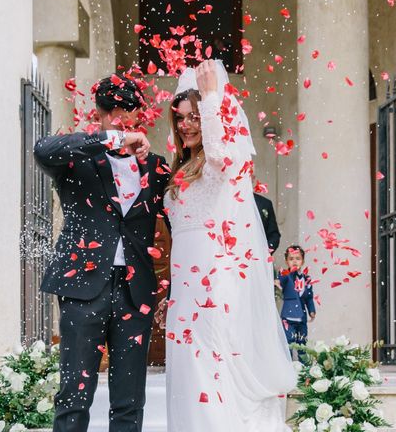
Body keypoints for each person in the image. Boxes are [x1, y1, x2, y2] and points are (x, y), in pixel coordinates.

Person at [163, 59, 297, 431]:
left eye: (193, 116)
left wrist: (211, 98)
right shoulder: (179, 172)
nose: (186, 124)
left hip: (215, 282)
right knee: (188, 368)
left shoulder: (219, 166)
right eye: (181, 117)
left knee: (211, 364)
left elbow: (222, 154)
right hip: (184, 291)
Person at [34, 75, 170, 432]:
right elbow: (43, 150)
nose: (119, 117)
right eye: (111, 111)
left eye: (127, 111)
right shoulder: (78, 159)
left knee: (129, 401)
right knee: (74, 397)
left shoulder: (156, 168)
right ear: (100, 113)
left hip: (134, 293)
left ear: (141, 113)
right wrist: (112, 139)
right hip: (83, 290)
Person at [278, 245, 316, 363]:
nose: (294, 261)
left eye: (298, 258)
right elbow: (282, 281)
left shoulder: (307, 278)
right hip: (288, 317)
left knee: (302, 344)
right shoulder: (285, 276)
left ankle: (303, 370)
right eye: (291, 259)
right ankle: (288, 367)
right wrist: (284, 275)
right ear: (286, 261)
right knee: (288, 342)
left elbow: (309, 297)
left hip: (302, 317)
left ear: (303, 261)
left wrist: (312, 310)